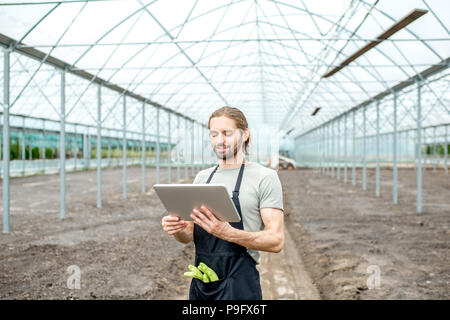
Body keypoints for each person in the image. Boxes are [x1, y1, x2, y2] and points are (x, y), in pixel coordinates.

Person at [161, 106, 284, 300]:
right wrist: (177, 228)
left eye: (227, 133)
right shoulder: (203, 178)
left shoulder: (265, 178)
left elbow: (276, 240)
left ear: (245, 135)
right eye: (214, 134)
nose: (220, 141)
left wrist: (228, 233)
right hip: (204, 283)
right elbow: (188, 236)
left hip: (240, 284)